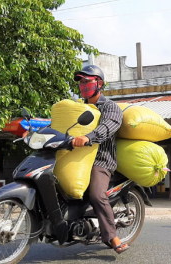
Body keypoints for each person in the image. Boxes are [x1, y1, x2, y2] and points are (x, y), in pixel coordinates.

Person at [72, 65, 128, 254]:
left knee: (97, 195)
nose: (83, 85)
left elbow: (108, 126)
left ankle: (113, 237)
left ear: (99, 83)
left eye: (87, 81)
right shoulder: (78, 108)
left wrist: (89, 137)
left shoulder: (110, 107)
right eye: (81, 82)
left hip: (101, 160)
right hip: (78, 158)